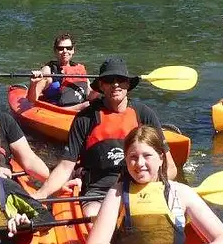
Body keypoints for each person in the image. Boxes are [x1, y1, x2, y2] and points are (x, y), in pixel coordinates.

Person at [83, 125, 223, 244]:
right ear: (126, 160)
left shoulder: (181, 192)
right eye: (133, 157)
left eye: (147, 155)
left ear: (161, 158)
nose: (139, 163)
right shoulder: (117, 193)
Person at [31, 58, 178, 217]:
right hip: (97, 192)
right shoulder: (85, 118)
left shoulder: (144, 114)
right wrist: (42, 193)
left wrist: (151, 187)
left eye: (120, 80)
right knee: (93, 215)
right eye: (109, 80)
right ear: (101, 86)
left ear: (128, 84)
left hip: (139, 187)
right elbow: (66, 166)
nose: (115, 84)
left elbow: (170, 167)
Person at [28, 32, 93, 110]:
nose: (65, 51)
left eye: (68, 48)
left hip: (81, 109)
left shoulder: (79, 68)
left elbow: (90, 94)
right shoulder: (48, 71)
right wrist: (33, 84)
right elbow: (31, 100)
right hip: (58, 111)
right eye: (60, 48)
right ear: (55, 51)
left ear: (73, 50)